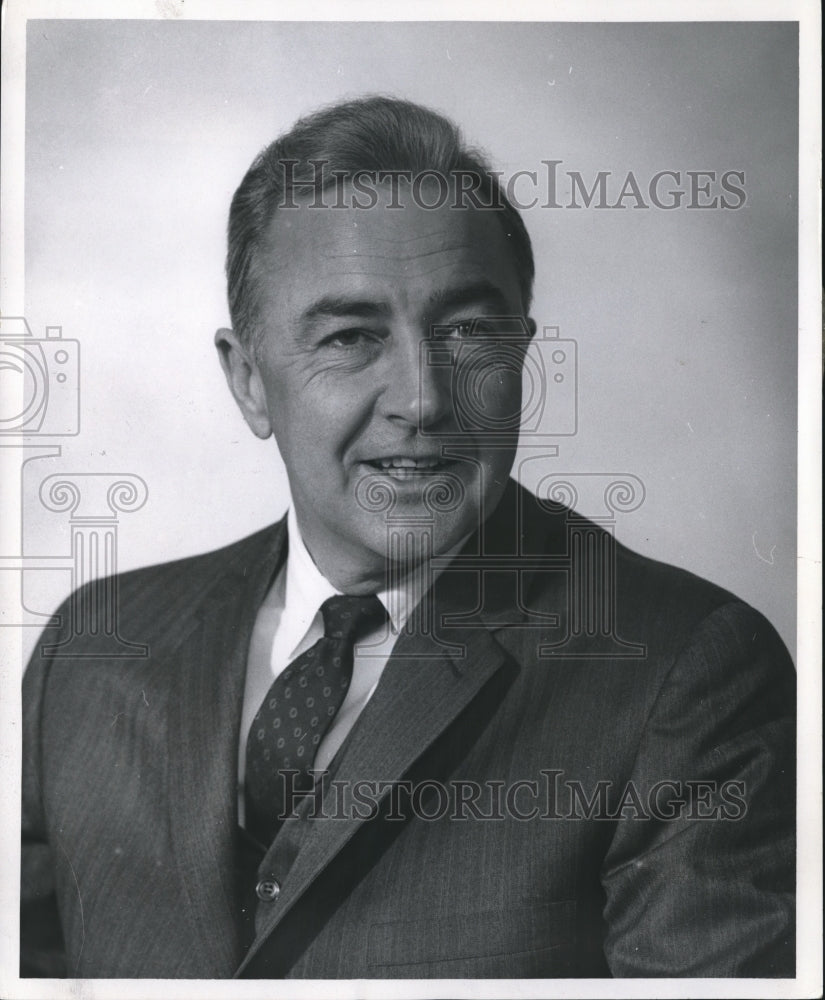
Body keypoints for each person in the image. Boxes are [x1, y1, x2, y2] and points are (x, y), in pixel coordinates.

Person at [20, 96, 795, 979]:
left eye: (468, 331)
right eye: (351, 337)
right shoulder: (93, 649)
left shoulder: (686, 671)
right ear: (249, 383)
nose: (422, 401)